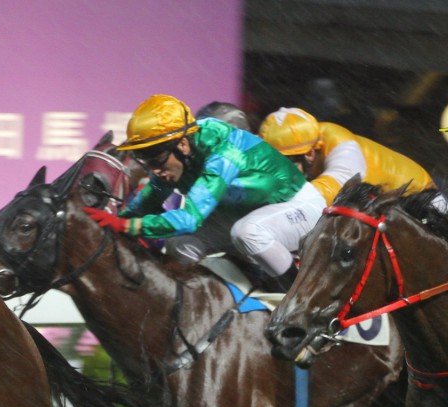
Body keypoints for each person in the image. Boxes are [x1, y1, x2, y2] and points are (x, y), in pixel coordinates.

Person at [83, 94, 324, 292]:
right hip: (247, 215)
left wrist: (127, 227)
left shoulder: (224, 152)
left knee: (248, 232)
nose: (155, 172)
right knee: (181, 244)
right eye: (146, 162)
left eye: (157, 161)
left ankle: (303, 300)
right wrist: (114, 223)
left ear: (182, 144)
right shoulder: (175, 156)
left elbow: (189, 219)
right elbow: (149, 198)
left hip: (300, 209)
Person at [258, 107, 440, 206]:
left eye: (286, 163)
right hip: (374, 206)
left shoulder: (343, 145)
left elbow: (329, 191)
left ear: (310, 154)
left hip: (420, 199)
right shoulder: (305, 141)